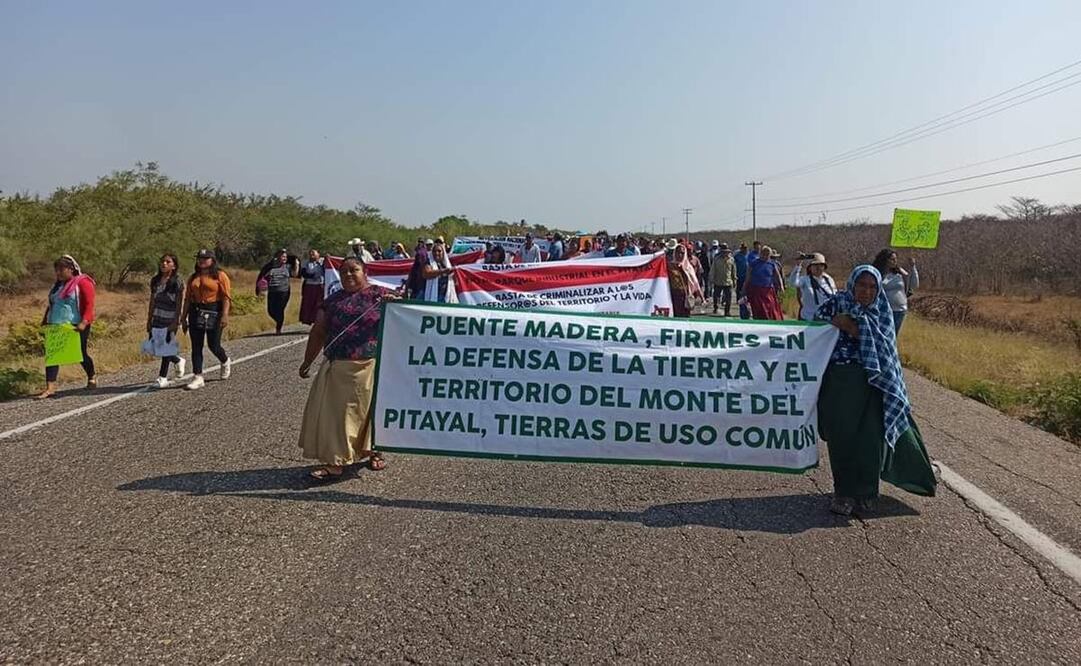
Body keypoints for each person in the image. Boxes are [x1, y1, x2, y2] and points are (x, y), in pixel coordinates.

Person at [815, 265, 937, 516]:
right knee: (842, 438)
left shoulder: (882, 309)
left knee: (870, 440)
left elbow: (884, 345)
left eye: (872, 287)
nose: (866, 291)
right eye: (862, 285)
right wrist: (834, 322)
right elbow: (813, 328)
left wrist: (853, 328)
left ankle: (867, 493)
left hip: (875, 382)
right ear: (852, 284)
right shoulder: (836, 303)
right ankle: (844, 493)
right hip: (840, 380)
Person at [298, 257, 400, 481]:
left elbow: (407, 317)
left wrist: (396, 304)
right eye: (344, 272)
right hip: (339, 366)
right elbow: (318, 331)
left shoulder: (381, 295)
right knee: (339, 417)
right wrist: (307, 361)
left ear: (365, 272)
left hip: (371, 364)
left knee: (369, 412)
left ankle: (374, 450)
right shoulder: (332, 302)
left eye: (354, 270)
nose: (349, 275)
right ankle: (336, 461)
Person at [37, 255, 96, 398]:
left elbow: (89, 305)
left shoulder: (82, 282)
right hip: (56, 325)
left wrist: (83, 322)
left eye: (61, 269)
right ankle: (50, 387)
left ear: (71, 269)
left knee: (80, 353)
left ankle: (92, 376)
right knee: (52, 355)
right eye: (56, 270)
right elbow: (52, 304)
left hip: (76, 325)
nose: (58, 273)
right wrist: (45, 322)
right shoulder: (57, 286)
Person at [180, 249, 232, 390]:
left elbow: (226, 297)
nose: (202, 260)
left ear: (212, 260)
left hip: (214, 311)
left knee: (213, 344)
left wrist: (225, 315)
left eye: (205, 258)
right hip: (196, 311)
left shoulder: (220, 276)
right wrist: (183, 317)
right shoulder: (193, 277)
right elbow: (187, 299)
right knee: (196, 346)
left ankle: (225, 360)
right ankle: (198, 376)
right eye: (200, 258)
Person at [146, 253, 187, 388]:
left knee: (165, 346)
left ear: (174, 265)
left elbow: (179, 303)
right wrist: (149, 319)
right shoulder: (156, 281)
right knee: (157, 346)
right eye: (163, 261)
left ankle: (162, 377)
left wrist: (177, 321)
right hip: (157, 317)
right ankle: (177, 360)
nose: (164, 264)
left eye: (168, 262)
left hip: (170, 318)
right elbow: (152, 301)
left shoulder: (177, 282)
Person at [872, 249, 919, 334]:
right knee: (882, 333)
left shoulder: (900, 272)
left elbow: (914, 284)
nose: (895, 261)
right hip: (883, 309)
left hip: (900, 310)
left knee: (894, 335)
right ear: (885, 260)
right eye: (892, 259)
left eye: (896, 259)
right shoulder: (877, 273)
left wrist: (913, 267)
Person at [789, 253, 837, 322]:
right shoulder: (805, 280)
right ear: (810, 267)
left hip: (827, 320)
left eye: (820, 265)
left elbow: (835, 295)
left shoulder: (829, 279)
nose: (818, 267)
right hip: (809, 319)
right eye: (815, 265)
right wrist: (798, 265)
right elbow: (792, 283)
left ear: (824, 267)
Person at [742, 245, 784, 320]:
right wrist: (744, 288)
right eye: (764, 253)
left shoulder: (772, 264)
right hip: (756, 290)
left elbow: (778, 276)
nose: (765, 256)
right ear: (761, 253)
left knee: (770, 309)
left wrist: (781, 286)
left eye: (767, 254)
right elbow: (748, 277)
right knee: (759, 310)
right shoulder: (754, 263)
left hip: (768, 291)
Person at [258, 249, 293, 335]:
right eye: (282, 256)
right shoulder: (270, 267)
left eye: (285, 257)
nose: (284, 258)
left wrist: (297, 264)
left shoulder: (288, 267)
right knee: (270, 311)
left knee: (280, 309)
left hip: (284, 291)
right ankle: (279, 320)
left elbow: (295, 274)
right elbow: (262, 277)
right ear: (277, 257)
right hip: (272, 291)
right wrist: (260, 288)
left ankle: (278, 328)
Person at [709, 244, 737, 316]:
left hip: (728, 282)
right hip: (718, 281)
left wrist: (734, 280)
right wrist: (711, 279)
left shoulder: (731, 259)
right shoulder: (716, 259)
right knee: (716, 296)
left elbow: (733, 271)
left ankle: (727, 311)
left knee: (728, 298)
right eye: (724, 252)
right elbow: (713, 270)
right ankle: (715, 307)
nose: (725, 253)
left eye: (726, 252)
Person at [299, 249, 325, 326]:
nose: (311, 255)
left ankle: (318, 320)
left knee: (319, 303)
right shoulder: (305, 262)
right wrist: (312, 276)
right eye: (310, 253)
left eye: (313, 253)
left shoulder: (322, 261)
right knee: (308, 303)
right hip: (309, 285)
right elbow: (303, 273)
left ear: (318, 254)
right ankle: (308, 319)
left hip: (320, 285)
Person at [666, 243, 692, 318]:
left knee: (686, 318)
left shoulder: (688, 266)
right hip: (674, 296)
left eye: (682, 253)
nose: (680, 255)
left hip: (686, 296)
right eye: (678, 252)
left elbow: (695, 282)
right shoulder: (669, 266)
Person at [733, 242, 750, 319]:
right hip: (739, 275)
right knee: (739, 289)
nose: (745, 249)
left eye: (746, 248)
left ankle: (745, 303)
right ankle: (739, 301)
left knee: (746, 291)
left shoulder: (748, 255)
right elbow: (733, 265)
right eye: (743, 248)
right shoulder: (737, 256)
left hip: (747, 276)